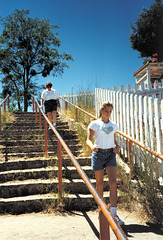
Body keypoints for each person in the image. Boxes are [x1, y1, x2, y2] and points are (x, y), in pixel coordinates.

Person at [86, 101, 124, 226]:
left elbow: (114, 140)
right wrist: (92, 146)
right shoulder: (95, 124)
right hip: (98, 154)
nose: (108, 113)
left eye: (110, 111)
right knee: (100, 183)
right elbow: (88, 140)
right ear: (101, 110)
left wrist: (117, 147)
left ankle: (114, 213)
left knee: (113, 183)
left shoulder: (114, 125)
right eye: (106, 111)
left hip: (110, 155)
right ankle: (101, 211)